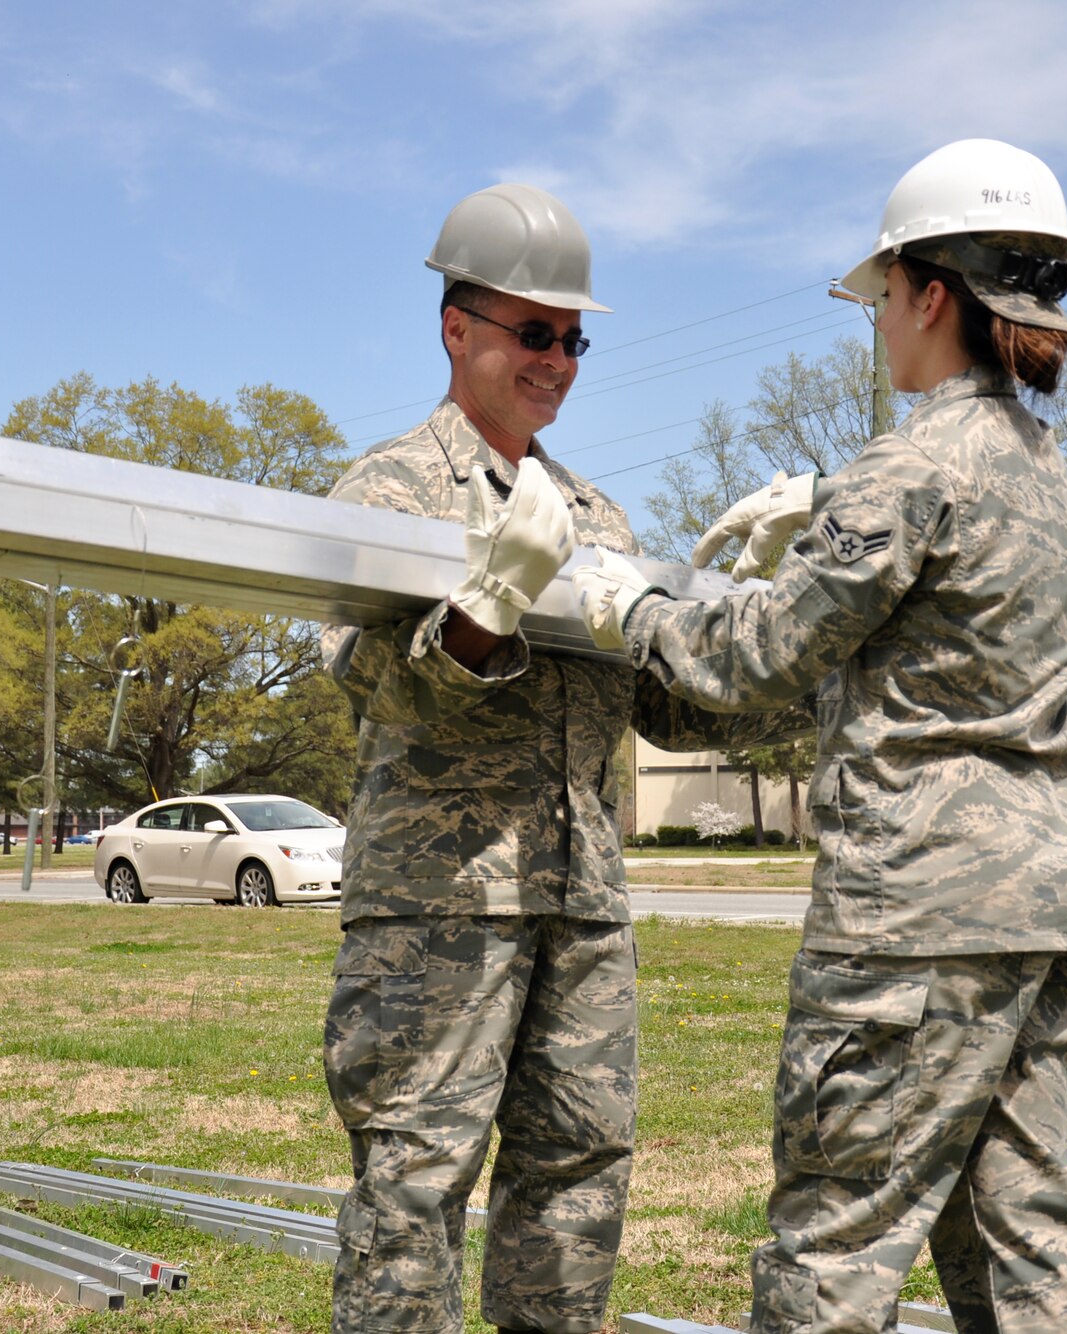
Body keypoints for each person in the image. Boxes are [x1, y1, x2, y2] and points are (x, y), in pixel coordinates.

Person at [574, 139, 1067, 1334]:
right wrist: (822, 504)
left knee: (836, 1233)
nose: (875, 326)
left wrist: (633, 609)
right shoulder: (1043, 466)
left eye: (880, 298)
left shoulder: (911, 462)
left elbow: (754, 653)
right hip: (1055, 905)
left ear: (930, 294)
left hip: (917, 915)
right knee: (1029, 1232)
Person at [321, 182, 808, 1334]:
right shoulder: (390, 487)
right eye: (530, 332)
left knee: (578, 1182)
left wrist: (771, 621)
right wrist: (484, 603)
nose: (555, 359)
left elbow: (669, 712)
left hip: (582, 902)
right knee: (411, 1185)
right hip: (437, 904)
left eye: (572, 338)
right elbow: (362, 675)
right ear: (456, 327)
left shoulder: (599, 517)